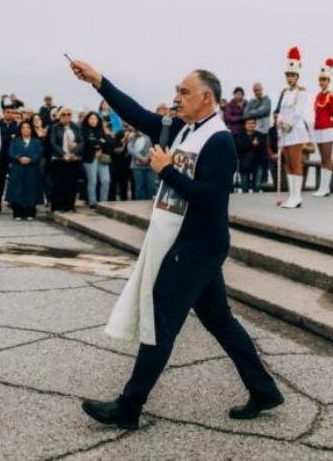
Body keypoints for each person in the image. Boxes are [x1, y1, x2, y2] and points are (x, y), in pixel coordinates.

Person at [71, 59, 282, 430]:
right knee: (221, 321)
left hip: (197, 245)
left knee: (162, 320)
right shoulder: (180, 129)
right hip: (183, 242)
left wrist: (166, 170)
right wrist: (98, 81)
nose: (177, 98)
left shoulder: (219, 140)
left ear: (206, 98)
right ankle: (263, 389)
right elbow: (135, 113)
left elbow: (211, 199)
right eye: (177, 91)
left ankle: (129, 406)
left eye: (184, 92)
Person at [276, 46, 310, 208]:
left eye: (292, 75)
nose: (290, 78)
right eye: (288, 75)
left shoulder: (301, 92)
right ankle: (291, 195)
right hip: (285, 131)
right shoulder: (285, 92)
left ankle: (297, 196)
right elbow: (282, 110)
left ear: (297, 76)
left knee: (296, 162)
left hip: (295, 131)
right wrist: (279, 122)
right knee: (288, 163)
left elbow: (298, 112)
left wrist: (287, 124)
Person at [311, 58, 333, 197]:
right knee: (322, 158)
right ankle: (322, 187)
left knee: (327, 158)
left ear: (329, 81)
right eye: (321, 80)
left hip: (328, 130)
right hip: (318, 129)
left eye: (325, 80)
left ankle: (325, 187)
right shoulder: (318, 96)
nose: (322, 82)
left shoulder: (331, 95)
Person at [50, 107, 84, 212]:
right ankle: (58, 206)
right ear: (60, 116)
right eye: (64, 114)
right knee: (59, 184)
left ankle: (69, 205)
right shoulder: (55, 127)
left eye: (68, 114)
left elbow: (81, 141)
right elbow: (53, 143)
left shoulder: (76, 127)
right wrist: (63, 154)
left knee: (71, 184)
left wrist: (73, 153)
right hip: (59, 158)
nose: (66, 117)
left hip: (73, 159)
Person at [7, 121, 43, 220]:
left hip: (31, 169)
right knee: (17, 190)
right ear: (20, 129)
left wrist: (31, 159)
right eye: (23, 127)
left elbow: (39, 153)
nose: (25, 129)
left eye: (28, 127)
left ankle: (30, 212)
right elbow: (11, 152)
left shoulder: (36, 141)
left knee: (30, 189)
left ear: (31, 129)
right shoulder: (15, 140)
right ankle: (18, 213)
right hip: (18, 168)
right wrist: (19, 158)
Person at [244, 83, 272, 187]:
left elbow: (263, 111)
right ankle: (253, 180)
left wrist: (252, 112)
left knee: (263, 157)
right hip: (254, 131)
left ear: (262, 89)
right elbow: (245, 113)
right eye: (255, 90)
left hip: (264, 132)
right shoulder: (251, 101)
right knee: (253, 155)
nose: (258, 92)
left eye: (259, 90)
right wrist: (255, 111)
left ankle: (264, 179)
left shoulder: (267, 99)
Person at [81, 112, 111, 208]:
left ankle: (104, 202)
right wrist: (99, 144)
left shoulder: (101, 130)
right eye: (91, 118)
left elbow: (108, 143)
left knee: (106, 180)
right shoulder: (84, 130)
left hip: (102, 158)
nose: (93, 120)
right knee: (92, 181)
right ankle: (92, 202)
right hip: (90, 159)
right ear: (87, 120)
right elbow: (87, 143)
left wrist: (98, 144)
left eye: (95, 119)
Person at [0, 106, 19, 214]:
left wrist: (8, 137)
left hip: (13, 157)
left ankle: (12, 201)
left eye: (12, 112)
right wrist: (10, 137)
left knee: (14, 180)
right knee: (0, 181)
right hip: (1, 156)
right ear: (4, 113)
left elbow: (17, 139)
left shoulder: (16, 125)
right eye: (8, 112)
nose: (10, 114)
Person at [234, 118, 265, 193]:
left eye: (252, 123)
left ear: (255, 124)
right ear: (245, 125)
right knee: (244, 186)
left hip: (257, 162)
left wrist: (251, 146)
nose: (250, 125)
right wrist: (252, 145)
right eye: (248, 123)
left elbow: (262, 148)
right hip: (244, 163)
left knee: (257, 186)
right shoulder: (239, 135)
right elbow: (239, 147)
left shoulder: (260, 135)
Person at [128, 127, 155, 200]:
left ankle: (150, 205)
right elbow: (130, 149)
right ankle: (140, 205)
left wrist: (147, 158)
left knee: (151, 186)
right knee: (139, 187)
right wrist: (141, 158)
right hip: (137, 167)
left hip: (150, 165)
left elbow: (154, 146)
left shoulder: (149, 134)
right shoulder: (132, 136)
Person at [32, 113, 52, 204]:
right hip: (35, 159)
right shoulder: (31, 133)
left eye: (38, 119)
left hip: (46, 158)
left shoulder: (46, 131)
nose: (37, 121)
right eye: (35, 120)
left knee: (47, 180)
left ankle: (49, 199)